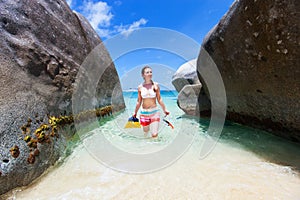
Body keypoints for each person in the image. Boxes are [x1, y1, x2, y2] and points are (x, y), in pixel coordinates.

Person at [133, 66, 170, 137]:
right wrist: (135, 112)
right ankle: (147, 147)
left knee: (154, 134)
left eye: (151, 72)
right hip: (144, 113)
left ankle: (155, 147)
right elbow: (139, 101)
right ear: (143, 75)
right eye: (147, 72)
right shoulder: (140, 87)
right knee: (146, 133)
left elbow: (159, 99)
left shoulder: (156, 85)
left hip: (154, 112)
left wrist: (165, 109)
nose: (150, 73)